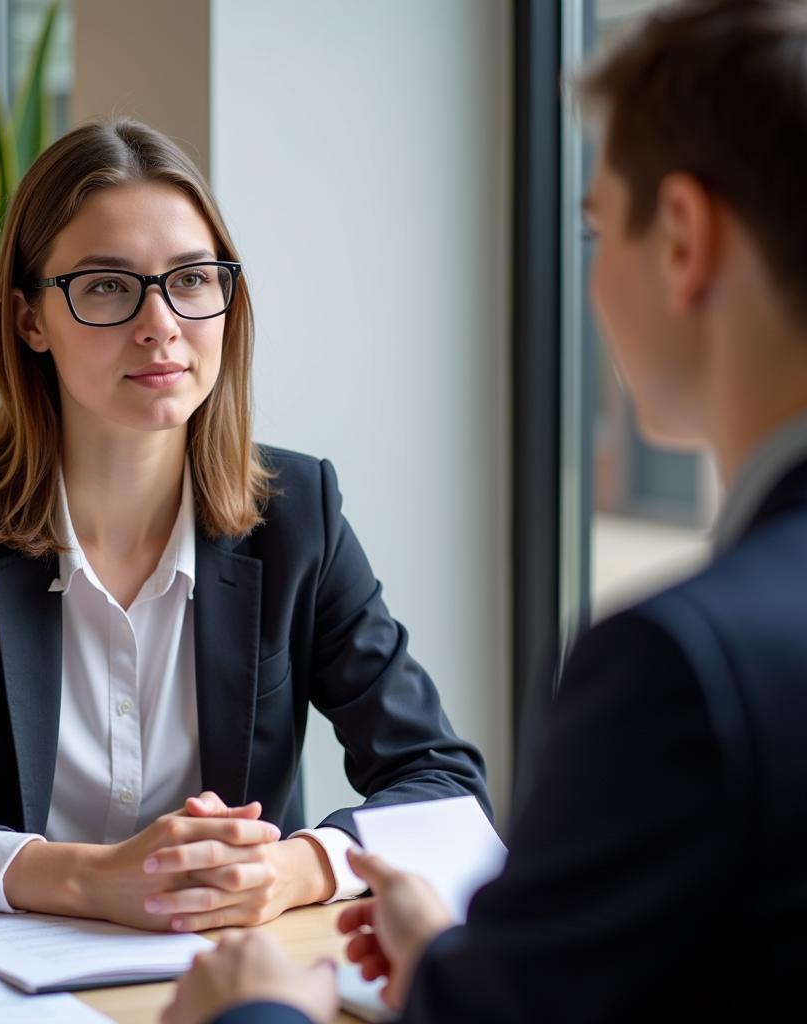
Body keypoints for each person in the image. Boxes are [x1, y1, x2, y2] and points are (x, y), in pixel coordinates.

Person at [162, 0, 807, 1018]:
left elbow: (437, 774)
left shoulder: (681, 669)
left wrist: (255, 1007)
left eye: (594, 228)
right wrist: (460, 966)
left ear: (682, 238)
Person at [0, 118, 489, 931]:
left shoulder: (300, 515)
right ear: (30, 321)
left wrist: (293, 867)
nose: (160, 322)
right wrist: (83, 879)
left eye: (192, 279)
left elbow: (445, 787)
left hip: (221, 972)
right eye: (105, 286)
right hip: (0, 987)